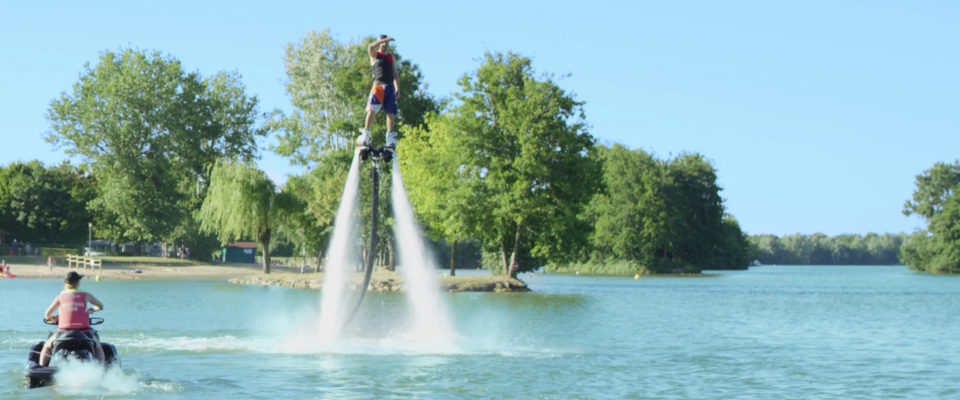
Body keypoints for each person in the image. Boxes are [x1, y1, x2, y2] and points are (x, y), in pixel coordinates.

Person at [39, 271, 105, 367]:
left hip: (63, 333)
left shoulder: (60, 296)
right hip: (84, 332)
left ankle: (41, 368)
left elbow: (47, 315)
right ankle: (101, 369)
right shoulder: (85, 295)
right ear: (77, 282)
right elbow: (100, 306)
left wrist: (56, 318)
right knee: (98, 348)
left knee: (47, 347)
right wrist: (93, 309)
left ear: (66, 283)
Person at [356, 35, 400, 151]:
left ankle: (390, 137)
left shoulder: (391, 57)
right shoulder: (375, 55)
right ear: (380, 43)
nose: (384, 45)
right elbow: (370, 46)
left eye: (386, 43)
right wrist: (384, 40)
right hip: (378, 85)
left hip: (389, 86)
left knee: (390, 112)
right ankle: (366, 134)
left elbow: (395, 73)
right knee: (371, 110)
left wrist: (397, 88)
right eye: (382, 43)